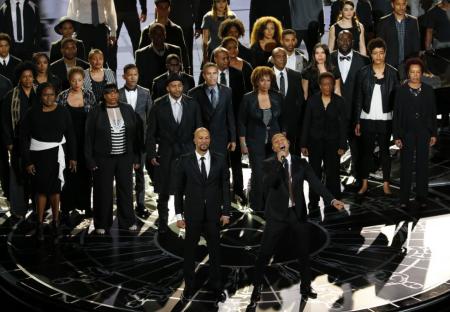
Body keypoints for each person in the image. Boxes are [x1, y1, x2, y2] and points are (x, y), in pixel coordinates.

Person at [246, 133, 345, 310]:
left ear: (289, 143)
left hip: (297, 214)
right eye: (276, 142)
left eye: (282, 140)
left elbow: (316, 183)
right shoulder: (268, 164)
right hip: (276, 216)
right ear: (274, 148)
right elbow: (267, 185)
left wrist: (332, 200)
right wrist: (279, 164)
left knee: (303, 252)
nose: (280, 142)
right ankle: (257, 287)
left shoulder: (301, 163)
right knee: (264, 253)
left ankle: (306, 286)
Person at [175, 127, 229, 304]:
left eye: (206, 138)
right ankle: (189, 287)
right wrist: (178, 215)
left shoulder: (220, 159)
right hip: (192, 214)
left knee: (215, 253)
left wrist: (226, 211)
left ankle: (216, 287)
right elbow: (178, 190)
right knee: (189, 253)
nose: (204, 141)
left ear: (210, 140)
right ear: (194, 140)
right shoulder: (184, 161)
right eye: (200, 138)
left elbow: (225, 188)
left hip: (214, 214)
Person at [146, 73, 202, 234]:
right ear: (167, 88)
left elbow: (199, 130)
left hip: (187, 153)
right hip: (166, 153)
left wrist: (199, 153)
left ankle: (191, 220)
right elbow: (150, 133)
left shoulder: (192, 104)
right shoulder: (157, 105)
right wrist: (151, 154)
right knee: (163, 191)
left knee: (190, 190)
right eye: (173, 86)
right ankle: (163, 221)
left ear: (183, 87)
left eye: (179, 86)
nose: (177, 89)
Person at [21, 82, 76, 242]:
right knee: (40, 190)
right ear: (40, 96)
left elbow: (70, 133)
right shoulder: (32, 113)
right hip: (38, 156)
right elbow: (24, 138)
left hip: (57, 155)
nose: (49, 97)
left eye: (52, 94)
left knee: (55, 189)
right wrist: (27, 161)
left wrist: (73, 157)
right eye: (45, 94)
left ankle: (55, 222)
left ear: (56, 95)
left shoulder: (63, 111)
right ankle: (39, 224)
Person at [85, 83, 141, 235]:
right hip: (103, 159)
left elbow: (135, 135)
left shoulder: (127, 109)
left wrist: (136, 158)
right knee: (103, 191)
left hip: (125, 157)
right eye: (109, 93)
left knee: (126, 190)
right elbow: (88, 137)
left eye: (115, 92)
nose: (113, 95)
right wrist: (89, 160)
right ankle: (102, 223)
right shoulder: (96, 111)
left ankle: (128, 221)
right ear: (104, 95)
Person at [354, 38, 399, 196]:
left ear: (385, 53)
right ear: (370, 54)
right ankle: (364, 184)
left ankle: (386, 184)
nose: (378, 56)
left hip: (386, 118)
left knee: (385, 153)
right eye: (375, 53)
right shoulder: (363, 72)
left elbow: (397, 101)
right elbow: (358, 98)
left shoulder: (393, 73)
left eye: (381, 53)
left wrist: (397, 124)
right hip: (367, 117)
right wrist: (357, 121)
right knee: (366, 152)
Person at [393, 58, 437, 208]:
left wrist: (433, 134)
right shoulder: (401, 90)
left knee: (422, 165)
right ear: (408, 73)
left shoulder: (429, 90)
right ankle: (404, 198)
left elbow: (433, 113)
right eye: (412, 72)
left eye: (418, 72)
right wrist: (397, 136)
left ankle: (421, 196)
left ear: (422, 73)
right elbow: (396, 114)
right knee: (405, 165)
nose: (415, 75)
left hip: (424, 132)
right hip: (407, 132)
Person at [300, 72, 347, 215]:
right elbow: (306, 123)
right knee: (314, 173)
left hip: (333, 143)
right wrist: (303, 144)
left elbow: (343, 125)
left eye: (330, 84)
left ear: (333, 85)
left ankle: (334, 200)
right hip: (314, 142)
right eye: (324, 84)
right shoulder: (312, 101)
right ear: (320, 86)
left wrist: (342, 145)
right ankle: (313, 202)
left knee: (333, 173)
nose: (327, 86)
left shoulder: (340, 102)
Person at [239, 66, 284, 212]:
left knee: (273, 173)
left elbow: (284, 120)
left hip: (275, 141)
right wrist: (242, 143)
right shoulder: (248, 98)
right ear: (256, 81)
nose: (265, 83)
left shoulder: (277, 96)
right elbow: (241, 121)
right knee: (258, 173)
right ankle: (257, 205)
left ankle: (272, 203)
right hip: (255, 140)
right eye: (262, 80)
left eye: (268, 80)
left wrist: (283, 140)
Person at [57, 67, 96, 221]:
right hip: (66, 142)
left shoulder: (89, 95)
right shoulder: (62, 96)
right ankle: (66, 206)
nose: (76, 83)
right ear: (69, 80)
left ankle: (85, 205)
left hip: (85, 140)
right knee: (67, 173)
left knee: (85, 174)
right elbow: (57, 119)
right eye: (73, 80)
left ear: (83, 80)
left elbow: (93, 120)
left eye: (79, 80)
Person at [330, 30, 370, 185]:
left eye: (348, 39)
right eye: (341, 39)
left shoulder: (364, 60)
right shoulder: (329, 58)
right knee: (333, 146)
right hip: (334, 111)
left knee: (357, 147)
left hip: (356, 111)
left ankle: (358, 177)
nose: (344, 42)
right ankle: (331, 178)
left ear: (353, 41)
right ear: (337, 41)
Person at [1, 62, 39, 219]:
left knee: (37, 174)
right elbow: (3, 121)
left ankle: (38, 208)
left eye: (30, 76)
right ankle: (19, 209)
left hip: (37, 142)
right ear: (19, 78)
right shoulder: (11, 96)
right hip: (17, 142)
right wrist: (8, 141)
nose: (28, 79)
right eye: (24, 77)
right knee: (18, 175)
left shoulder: (40, 92)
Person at [118, 64, 153, 219]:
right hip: (121, 140)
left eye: (135, 74)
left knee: (140, 174)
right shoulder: (117, 94)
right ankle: (124, 206)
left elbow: (150, 118)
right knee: (123, 175)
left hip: (141, 140)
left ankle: (140, 205)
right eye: (129, 74)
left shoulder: (145, 93)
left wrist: (150, 139)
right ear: (124, 76)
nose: (132, 77)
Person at [188, 62, 236, 156]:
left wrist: (233, 139)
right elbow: (191, 120)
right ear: (204, 75)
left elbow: (230, 116)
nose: (212, 76)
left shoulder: (227, 91)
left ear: (218, 74)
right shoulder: (194, 93)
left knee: (222, 168)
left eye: (214, 73)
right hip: (202, 139)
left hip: (221, 139)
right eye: (209, 74)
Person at [139, 0, 190, 74]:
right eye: (161, 7)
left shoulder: (177, 30)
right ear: (156, 9)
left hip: (173, 75)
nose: (163, 10)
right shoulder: (147, 31)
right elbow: (141, 56)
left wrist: (187, 73)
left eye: (166, 7)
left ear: (169, 9)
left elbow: (184, 54)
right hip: (152, 74)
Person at [270, 47, 305, 156]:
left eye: (284, 56)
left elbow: (301, 100)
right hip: (272, 123)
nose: (282, 59)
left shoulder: (295, 75)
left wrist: (297, 120)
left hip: (292, 124)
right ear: (272, 59)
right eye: (278, 56)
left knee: (294, 154)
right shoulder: (266, 75)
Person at [135, 23, 182, 91]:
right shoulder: (141, 54)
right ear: (150, 36)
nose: (159, 36)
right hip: (151, 92)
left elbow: (180, 72)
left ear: (165, 35)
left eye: (162, 33)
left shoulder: (175, 50)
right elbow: (140, 80)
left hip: (173, 91)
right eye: (156, 33)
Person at [376, 0, 420, 73]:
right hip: (389, 64)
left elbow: (416, 45)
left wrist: (414, 63)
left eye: (403, 4)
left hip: (407, 64)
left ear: (406, 4)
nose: (401, 7)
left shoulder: (413, 21)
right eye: (398, 4)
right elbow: (379, 45)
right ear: (392, 5)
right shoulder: (384, 22)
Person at [108, 0, 147, 72]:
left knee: (137, 44)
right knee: (112, 45)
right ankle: (111, 76)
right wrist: (144, 9)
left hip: (124, 11)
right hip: (122, 11)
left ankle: (141, 72)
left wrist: (144, 9)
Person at [169, 0, 198, 73]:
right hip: (176, 22)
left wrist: (197, 24)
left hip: (184, 23)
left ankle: (188, 78)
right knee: (185, 54)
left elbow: (196, 4)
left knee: (186, 54)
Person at [0, 73, 12, 201]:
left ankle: (8, 194)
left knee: (3, 165)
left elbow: (8, 114)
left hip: (2, 132)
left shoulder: (5, 82)